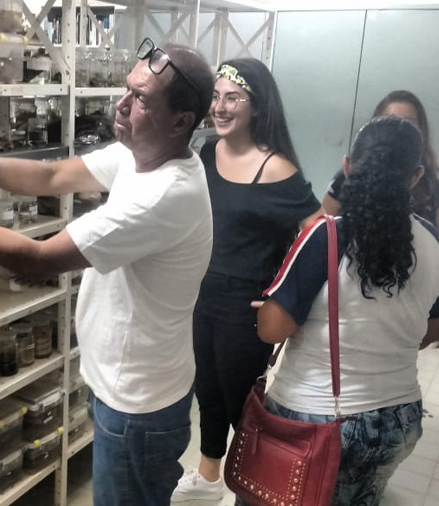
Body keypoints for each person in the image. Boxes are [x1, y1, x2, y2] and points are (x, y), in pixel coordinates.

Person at [0, 38, 215, 506]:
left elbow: (35, 259)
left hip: (137, 404)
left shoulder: (164, 195)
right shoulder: (140, 154)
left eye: (140, 99)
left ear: (181, 121)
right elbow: (53, 176)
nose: (121, 105)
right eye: (127, 89)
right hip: (123, 384)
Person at [252, 116, 439, 506]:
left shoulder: (324, 236)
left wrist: (271, 309)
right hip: (397, 418)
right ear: (415, 176)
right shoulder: (434, 242)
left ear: (347, 167)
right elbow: (429, 333)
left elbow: (271, 330)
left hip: (313, 417)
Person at [170, 58, 322, 504]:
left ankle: (262, 484)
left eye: (233, 98)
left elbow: (319, 237)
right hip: (199, 296)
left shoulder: (276, 169)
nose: (220, 107)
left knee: (242, 402)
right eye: (216, 97)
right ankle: (209, 476)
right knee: (207, 391)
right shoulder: (205, 154)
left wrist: (286, 299)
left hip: (244, 308)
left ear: (257, 106)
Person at [322, 90, 439, 348]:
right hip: (350, 288)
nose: (398, 130)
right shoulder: (349, 174)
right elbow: (320, 225)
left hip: (409, 290)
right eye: (391, 120)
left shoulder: (437, 183)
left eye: (409, 123)